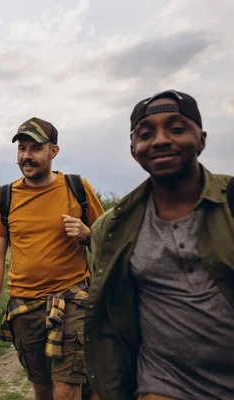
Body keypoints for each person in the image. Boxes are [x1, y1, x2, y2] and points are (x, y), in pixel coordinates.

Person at [84, 90, 234, 400]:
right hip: (165, 383)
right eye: (146, 134)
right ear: (133, 149)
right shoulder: (111, 229)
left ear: (202, 139)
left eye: (176, 129)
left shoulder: (231, 201)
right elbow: (109, 321)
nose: (161, 140)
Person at [0, 117, 105, 400]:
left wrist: (87, 234)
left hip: (73, 298)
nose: (27, 156)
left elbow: (110, 243)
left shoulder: (77, 187)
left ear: (53, 151)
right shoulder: (5, 197)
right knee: (43, 389)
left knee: (66, 390)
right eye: (22, 148)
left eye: (35, 148)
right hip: (25, 306)